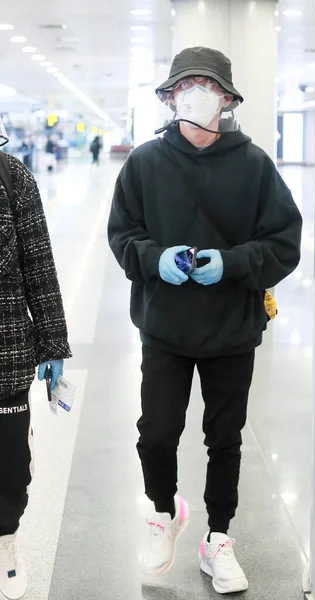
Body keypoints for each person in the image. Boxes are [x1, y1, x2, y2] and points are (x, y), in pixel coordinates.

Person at [108, 46, 302, 594]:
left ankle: (218, 537)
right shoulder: (144, 163)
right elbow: (122, 235)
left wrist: (235, 263)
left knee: (225, 436)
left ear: (227, 99)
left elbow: (284, 241)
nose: (196, 92)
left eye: (207, 84)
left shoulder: (254, 165)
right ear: (170, 97)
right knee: (158, 431)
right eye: (185, 84)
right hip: (164, 327)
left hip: (231, 328)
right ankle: (164, 514)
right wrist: (153, 260)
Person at [0, 118, 71, 600]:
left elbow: (38, 262)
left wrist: (52, 342)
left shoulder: (11, 175)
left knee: (8, 460)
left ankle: (5, 541)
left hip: (5, 352)